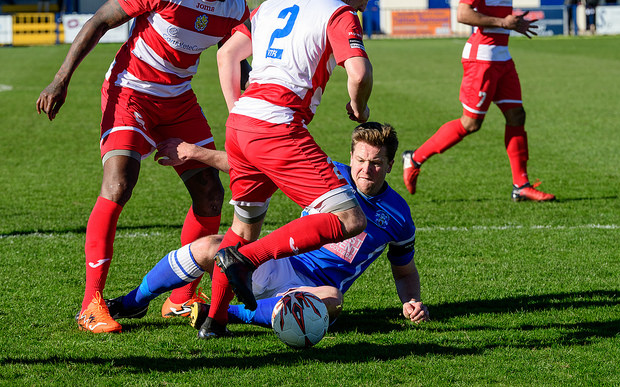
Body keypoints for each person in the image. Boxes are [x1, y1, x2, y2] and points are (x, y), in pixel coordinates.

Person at [35, 0, 254, 334]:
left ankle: (181, 297)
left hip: (179, 100)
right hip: (130, 92)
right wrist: (60, 80)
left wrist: (253, 99)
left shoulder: (235, 6)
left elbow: (235, 56)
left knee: (211, 195)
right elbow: (100, 21)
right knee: (119, 184)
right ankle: (91, 305)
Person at [199, 0, 386, 339]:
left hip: (242, 122)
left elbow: (226, 55)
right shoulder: (339, 12)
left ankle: (214, 323)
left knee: (243, 227)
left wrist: (237, 111)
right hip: (278, 124)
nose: (364, 6)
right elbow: (360, 72)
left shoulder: (272, 5)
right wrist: (359, 106)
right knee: (350, 220)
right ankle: (246, 260)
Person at [106, 122, 429, 334]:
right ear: (351, 157)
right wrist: (195, 153)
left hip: (312, 289)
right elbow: (253, 165)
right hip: (275, 261)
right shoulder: (330, 175)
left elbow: (404, 271)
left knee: (332, 300)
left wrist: (410, 301)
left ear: (390, 165)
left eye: (376, 163)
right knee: (211, 246)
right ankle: (133, 302)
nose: (366, 169)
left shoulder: (398, 216)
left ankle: (225, 313)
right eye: (360, 160)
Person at [402, 0, 555, 203]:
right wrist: (503, 22)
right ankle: (415, 158)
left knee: (517, 116)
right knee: (471, 123)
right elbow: (463, 13)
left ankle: (521, 185)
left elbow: (497, 14)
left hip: (502, 58)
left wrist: (514, 23)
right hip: (482, 60)